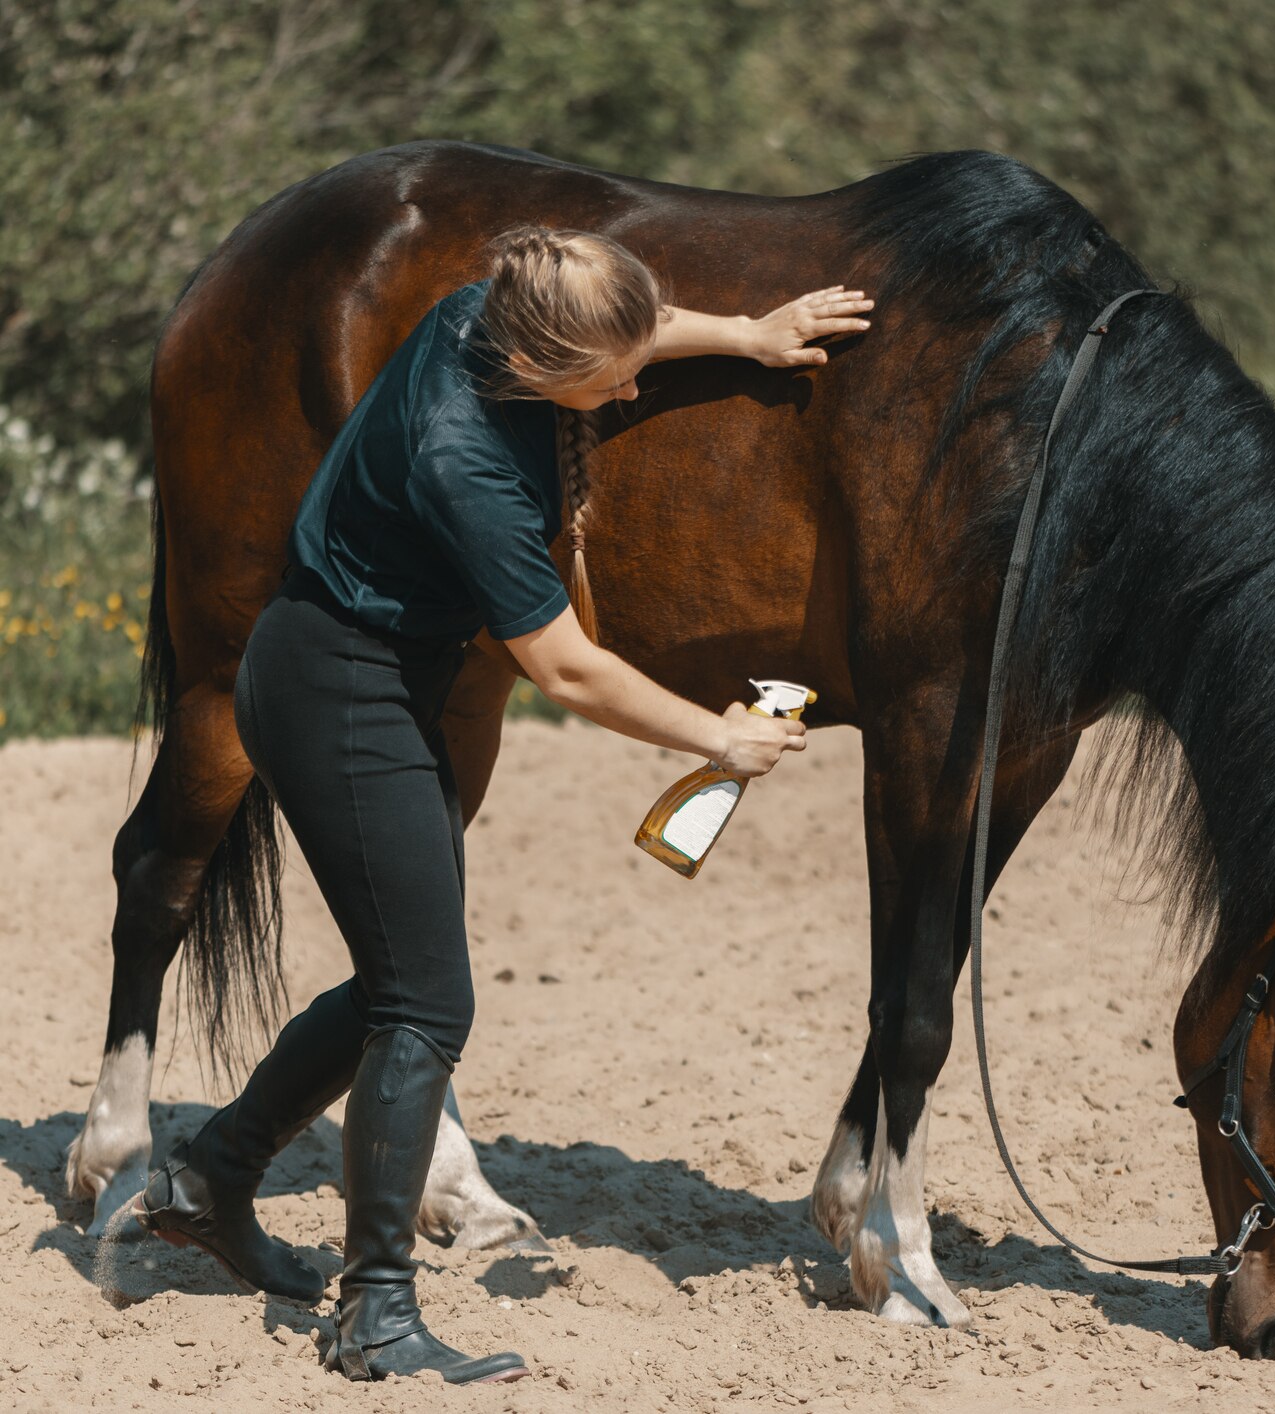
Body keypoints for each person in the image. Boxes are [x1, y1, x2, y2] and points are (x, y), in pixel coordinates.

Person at [124, 227, 871, 1384]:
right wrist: (717, 733)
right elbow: (567, 671)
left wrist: (745, 335)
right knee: (427, 1005)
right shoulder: (464, 459)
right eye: (611, 376)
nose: (631, 387)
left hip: (349, 675)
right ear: (541, 368)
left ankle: (211, 1177)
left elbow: (627, 332)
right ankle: (372, 1312)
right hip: (340, 695)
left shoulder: (490, 310)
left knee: (397, 980)